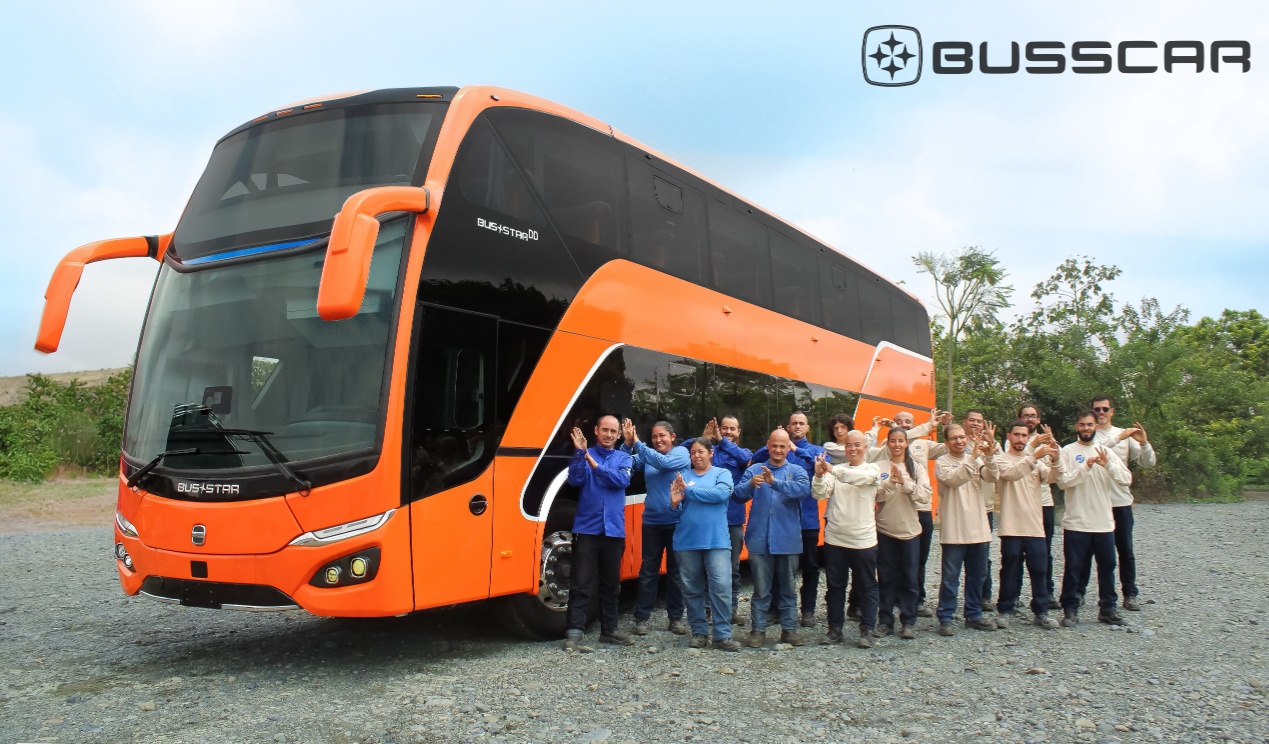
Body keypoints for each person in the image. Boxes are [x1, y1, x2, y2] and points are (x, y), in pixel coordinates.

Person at [865, 408, 951, 617]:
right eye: (899, 421)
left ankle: (914, 605)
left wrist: (944, 425)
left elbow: (949, 447)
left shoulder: (923, 447)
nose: (903, 424)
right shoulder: (882, 458)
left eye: (907, 421)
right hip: (889, 518)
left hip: (918, 514)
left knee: (915, 564)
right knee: (887, 567)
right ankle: (889, 609)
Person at [563, 415, 635, 651]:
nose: (609, 435)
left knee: (611, 585)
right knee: (581, 583)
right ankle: (574, 633)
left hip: (614, 530)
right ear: (596, 430)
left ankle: (609, 630)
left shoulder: (624, 457)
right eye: (605, 430)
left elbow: (621, 480)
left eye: (613, 432)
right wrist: (579, 453)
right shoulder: (584, 454)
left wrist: (594, 464)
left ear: (619, 435)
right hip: (587, 529)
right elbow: (575, 480)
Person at [735, 429, 811, 647]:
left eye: (782, 446)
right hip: (759, 540)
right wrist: (750, 484)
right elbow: (738, 495)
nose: (778, 450)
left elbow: (802, 490)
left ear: (789, 448)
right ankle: (758, 630)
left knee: (788, 589)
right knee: (761, 590)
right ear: (768, 445)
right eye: (774, 445)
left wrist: (774, 482)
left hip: (788, 540)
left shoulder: (797, 470)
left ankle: (789, 630)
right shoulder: (754, 470)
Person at [1058, 410, 1132, 627]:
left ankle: (1108, 608)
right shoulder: (1068, 451)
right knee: (1073, 568)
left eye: (1090, 425)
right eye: (1082, 424)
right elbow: (1063, 482)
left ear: (1096, 427)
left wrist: (1107, 464)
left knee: (1107, 566)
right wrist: (1086, 467)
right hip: (1076, 522)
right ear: (1076, 427)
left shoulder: (1106, 451)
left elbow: (1126, 479)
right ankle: (1070, 609)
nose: (1086, 428)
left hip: (1103, 523)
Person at [752, 412, 825, 627]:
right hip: (780, 521)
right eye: (794, 423)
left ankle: (808, 610)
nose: (797, 426)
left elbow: (822, 464)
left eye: (801, 423)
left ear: (808, 428)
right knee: (777, 567)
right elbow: (755, 459)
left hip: (807, 520)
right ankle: (774, 610)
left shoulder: (814, 450)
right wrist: (774, 442)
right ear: (788, 427)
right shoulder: (778, 447)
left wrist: (795, 449)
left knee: (810, 567)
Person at [811, 431, 882, 648]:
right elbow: (819, 493)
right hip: (835, 539)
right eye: (849, 445)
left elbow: (857, 478)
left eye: (857, 445)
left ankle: (867, 629)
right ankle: (834, 629)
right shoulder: (836, 470)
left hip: (863, 540)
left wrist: (832, 470)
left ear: (865, 447)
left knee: (867, 586)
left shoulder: (872, 469)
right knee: (835, 587)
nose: (852, 449)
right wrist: (819, 476)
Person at [670, 439, 741, 651]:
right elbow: (674, 511)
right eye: (693, 453)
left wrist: (690, 492)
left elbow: (721, 494)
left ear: (711, 453)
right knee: (692, 590)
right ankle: (699, 632)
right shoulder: (683, 476)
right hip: (686, 541)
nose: (696, 456)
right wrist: (674, 503)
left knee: (721, 588)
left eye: (701, 452)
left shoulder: (722, 474)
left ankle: (722, 635)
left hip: (716, 541)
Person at [622, 419, 691, 636]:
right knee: (648, 571)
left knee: (675, 573)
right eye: (654, 436)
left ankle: (676, 618)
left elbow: (664, 463)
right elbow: (625, 463)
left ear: (672, 437)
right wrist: (627, 444)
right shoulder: (648, 455)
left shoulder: (681, 454)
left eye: (662, 435)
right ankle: (642, 618)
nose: (658, 440)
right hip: (651, 522)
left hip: (676, 522)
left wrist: (638, 443)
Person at [684, 416, 753, 625]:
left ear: (739, 432)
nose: (728, 432)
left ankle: (731, 609)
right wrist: (702, 438)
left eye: (732, 429)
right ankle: (706, 610)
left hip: (732, 519)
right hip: (708, 519)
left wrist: (722, 440)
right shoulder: (707, 451)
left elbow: (744, 459)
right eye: (724, 428)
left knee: (731, 569)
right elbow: (681, 452)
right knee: (706, 569)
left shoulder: (741, 453)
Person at [1090, 395, 1156, 612]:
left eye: (1105, 409)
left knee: (1125, 549)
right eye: (1097, 409)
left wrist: (1144, 443)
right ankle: (1080, 592)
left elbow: (1148, 462)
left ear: (1112, 411)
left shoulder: (1127, 436)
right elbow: (1094, 452)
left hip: (1120, 501)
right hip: (1095, 502)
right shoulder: (1089, 434)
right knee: (1089, 551)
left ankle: (1130, 593)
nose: (1101, 413)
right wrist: (1119, 437)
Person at [994, 420, 1062, 630]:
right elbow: (1011, 473)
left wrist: (1056, 458)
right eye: (1016, 434)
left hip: (1034, 526)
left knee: (1039, 569)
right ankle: (1005, 610)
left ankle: (1041, 611)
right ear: (1009, 437)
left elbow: (1053, 477)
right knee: (1009, 569)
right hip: (1011, 525)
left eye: (1024, 435)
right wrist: (1033, 454)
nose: (1020, 439)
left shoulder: (1037, 461)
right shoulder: (1001, 459)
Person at [933, 423, 999, 636]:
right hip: (954, 528)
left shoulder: (977, 459)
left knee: (977, 575)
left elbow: (992, 477)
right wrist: (973, 457)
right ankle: (945, 617)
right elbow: (954, 480)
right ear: (946, 442)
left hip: (978, 527)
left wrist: (989, 456)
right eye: (954, 438)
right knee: (950, 577)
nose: (959, 441)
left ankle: (974, 614)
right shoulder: (942, 462)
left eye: (962, 437)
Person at [874, 427, 931, 640]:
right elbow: (875, 495)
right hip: (884, 529)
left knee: (909, 577)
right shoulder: (879, 467)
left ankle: (908, 620)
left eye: (900, 441)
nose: (897, 444)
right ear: (887, 443)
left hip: (910, 531)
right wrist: (890, 483)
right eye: (893, 441)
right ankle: (885, 620)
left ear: (906, 443)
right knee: (886, 577)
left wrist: (906, 484)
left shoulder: (916, 467)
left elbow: (925, 496)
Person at [1018, 403, 1058, 607]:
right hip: (1020, 504)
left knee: (1044, 551)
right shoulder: (1014, 441)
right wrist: (1032, 446)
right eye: (1025, 416)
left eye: (1033, 416)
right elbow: (1015, 465)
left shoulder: (1047, 441)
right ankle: (1013, 595)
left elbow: (1055, 470)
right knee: (1016, 553)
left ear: (1039, 420)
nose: (1029, 419)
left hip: (1043, 502)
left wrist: (1053, 446)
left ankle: (1046, 592)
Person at [962, 409, 998, 611]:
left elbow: (999, 467)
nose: (975, 424)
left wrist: (991, 442)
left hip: (984, 507)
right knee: (956, 556)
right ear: (965, 422)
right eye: (972, 420)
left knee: (983, 555)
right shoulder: (958, 443)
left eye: (979, 421)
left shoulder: (990, 445)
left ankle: (984, 595)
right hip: (962, 506)